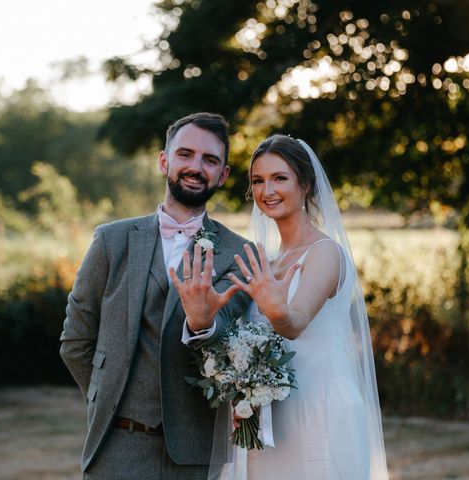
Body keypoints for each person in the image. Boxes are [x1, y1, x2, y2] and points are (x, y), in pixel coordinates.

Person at [59, 112, 254, 479]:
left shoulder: (240, 253)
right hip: (117, 448)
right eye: (185, 154)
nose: (196, 167)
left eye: (210, 160)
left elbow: (226, 331)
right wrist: (109, 401)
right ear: (164, 161)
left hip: (195, 455)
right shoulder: (110, 241)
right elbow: (75, 342)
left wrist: (202, 322)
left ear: (223, 175)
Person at [213, 134, 390, 479]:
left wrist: (275, 307)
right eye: (258, 181)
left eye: (280, 178)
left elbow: (295, 323)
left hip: (319, 411)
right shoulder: (270, 262)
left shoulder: (325, 253)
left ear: (306, 184)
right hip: (270, 419)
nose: (268, 191)